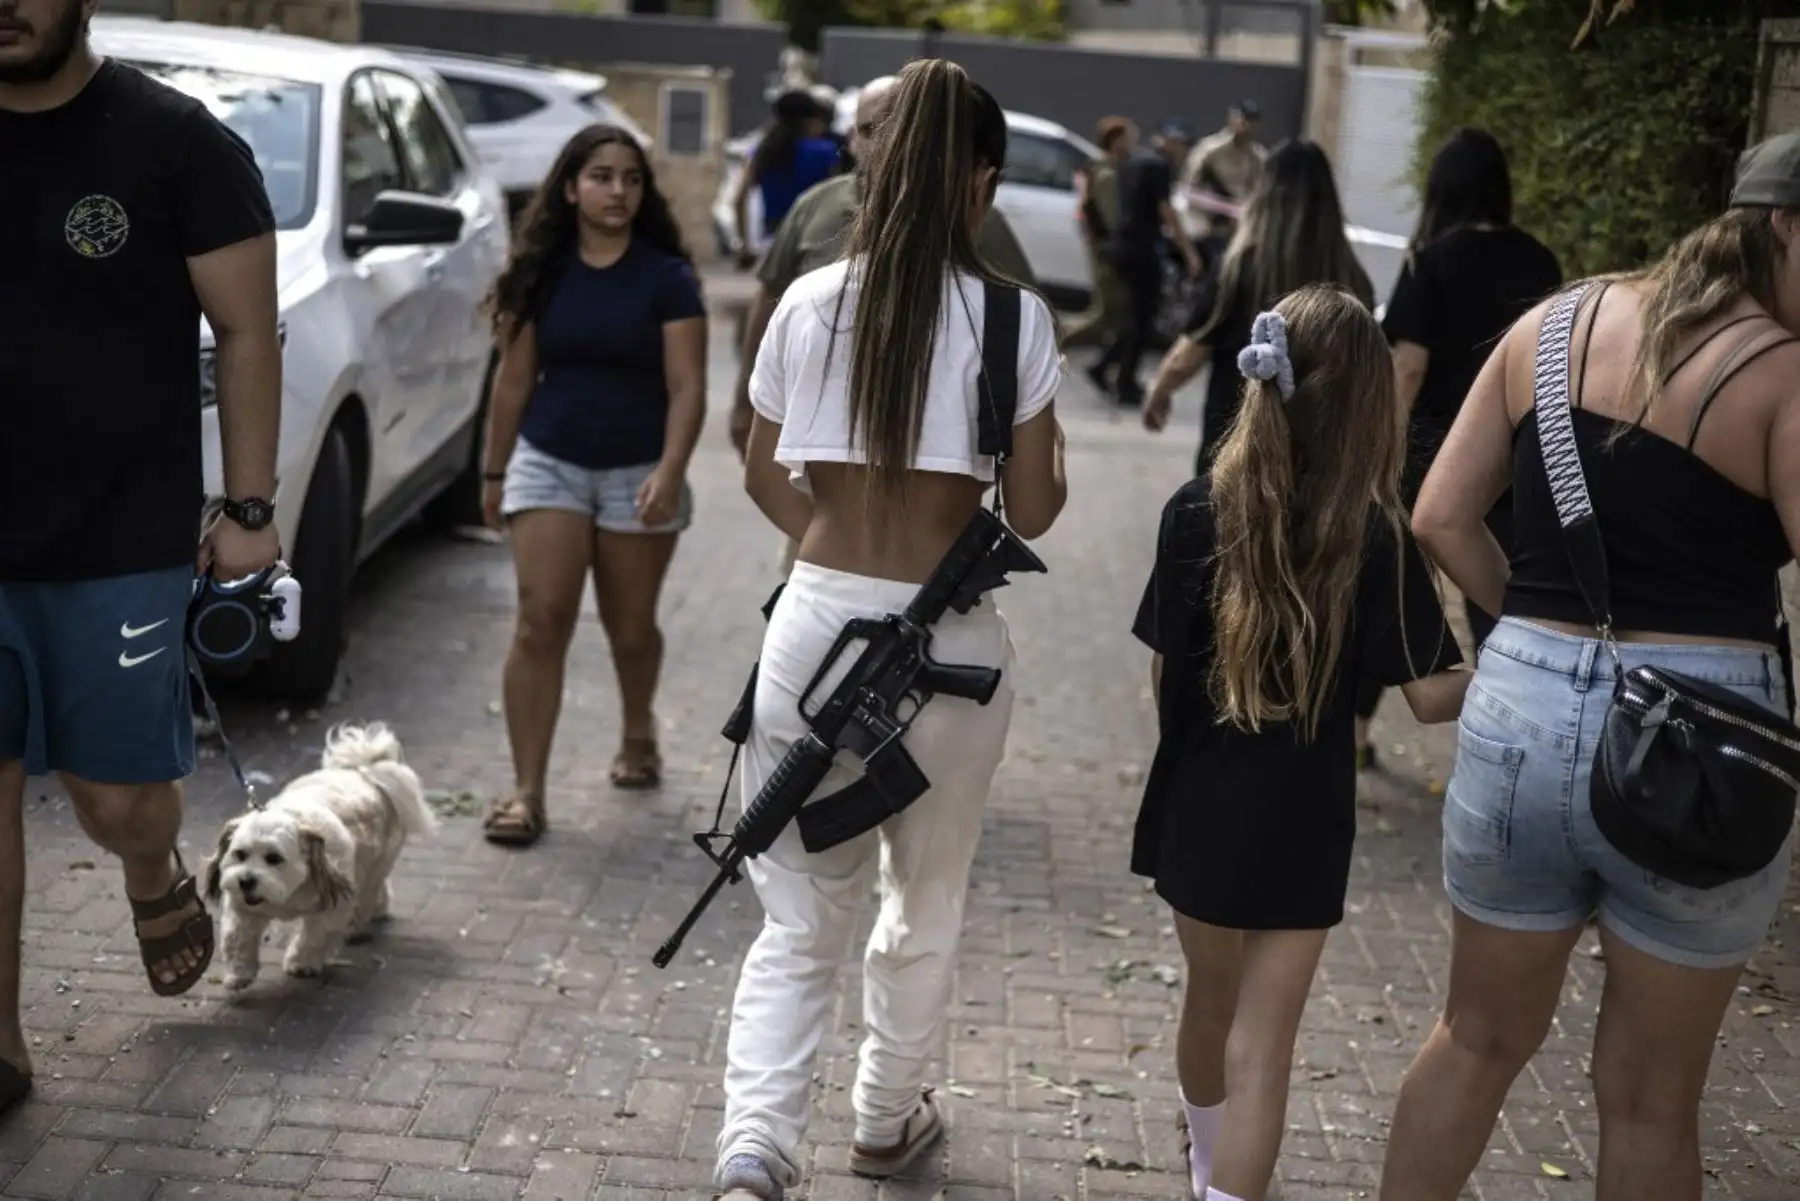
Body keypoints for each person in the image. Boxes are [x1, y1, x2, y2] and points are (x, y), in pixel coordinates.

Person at [1380, 133, 1800, 1201]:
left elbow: (1438, 513)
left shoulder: (1552, 323)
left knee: (1473, 1037)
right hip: (1706, 749)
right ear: (1787, 230)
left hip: (1518, 698)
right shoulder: (1784, 376)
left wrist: (1529, 629)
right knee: (1654, 1098)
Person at [717, 59, 1067, 1200]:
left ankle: (757, 1147)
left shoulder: (809, 301)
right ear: (982, 182)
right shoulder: (1014, 318)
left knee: (795, 911)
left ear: (871, 166)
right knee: (928, 896)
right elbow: (1041, 505)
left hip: (814, 624)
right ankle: (882, 1118)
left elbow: (764, 467)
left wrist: (831, 550)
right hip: (951, 645)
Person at [0, 0, 282, 1114]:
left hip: (116, 539)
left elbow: (248, 331)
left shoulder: (178, 142)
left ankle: (150, 866)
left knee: (117, 800)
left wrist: (249, 506)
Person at [1133, 285, 1467, 1201]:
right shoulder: (1372, 535)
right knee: (1266, 1041)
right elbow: (1435, 697)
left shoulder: (1194, 510)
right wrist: (1512, 657)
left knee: (1208, 1005)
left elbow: (1164, 674)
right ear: (1367, 407)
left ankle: (1207, 1164)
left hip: (1197, 797)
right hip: (1304, 819)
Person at [478, 124, 706, 844]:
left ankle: (638, 729)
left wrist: (670, 471)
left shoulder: (668, 277)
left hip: (640, 471)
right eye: (603, 176)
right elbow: (513, 383)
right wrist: (493, 470)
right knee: (541, 620)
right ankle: (525, 791)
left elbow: (688, 386)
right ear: (571, 188)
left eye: (632, 178)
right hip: (550, 462)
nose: (618, 191)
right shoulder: (541, 274)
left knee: (630, 628)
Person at [725, 72, 1039, 576]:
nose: (882, 146)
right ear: (851, 139)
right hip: (825, 531)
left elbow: (1023, 328)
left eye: (893, 131)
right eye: (868, 130)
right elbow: (768, 300)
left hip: (917, 565)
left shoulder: (996, 258)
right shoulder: (816, 220)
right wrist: (844, 554)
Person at [1350, 128, 1561, 770]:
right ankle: (1520, 731)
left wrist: (1379, 453)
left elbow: (1407, 366)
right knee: (1498, 595)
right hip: (1517, 456)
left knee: (1391, 592)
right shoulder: (1541, 262)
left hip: (1432, 456)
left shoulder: (1431, 262)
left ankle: (1354, 734)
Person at [1143, 139, 1373, 471]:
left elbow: (1191, 350)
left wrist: (1160, 391)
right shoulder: (1351, 277)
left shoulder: (1240, 267)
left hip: (1236, 443)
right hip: (1321, 447)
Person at [1100, 121, 1204, 406]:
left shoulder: (1135, 160)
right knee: (1141, 319)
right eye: (1182, 145)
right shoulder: (1158, 166)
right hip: (1142, 250)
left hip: (1123, 246)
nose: (1184, 152)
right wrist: (1189, 252)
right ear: (1170, 142)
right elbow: (1166, 210)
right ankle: (1125, 381)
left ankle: (1104, 367)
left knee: (1135, 315)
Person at [732, 87, 840, 269]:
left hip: (774, 239)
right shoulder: (825, 152)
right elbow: (836, 196)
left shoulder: (762, 153)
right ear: (810, 118)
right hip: (815, 236)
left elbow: (739, 199)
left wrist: (745, 246)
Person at [1065, 116, 1136, 357]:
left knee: (1110, 313)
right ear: (1116, 141)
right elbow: (1112, 219)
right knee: (1106, 313)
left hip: (1104, 247)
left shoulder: (1103, 168)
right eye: (1127, 138)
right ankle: (1054, 341)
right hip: (1107, 250)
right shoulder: (1106, 173)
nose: (1131, 143)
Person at [1184, 99, 1266, 259]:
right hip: (1210, 229)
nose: (1245, 125)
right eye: (1242, 119)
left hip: (1242, 230)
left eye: (1250, 121)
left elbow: (1260, 191)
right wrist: (1222, 208)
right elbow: (1189, 190)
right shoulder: (1210, 150)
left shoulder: (1258, 156)